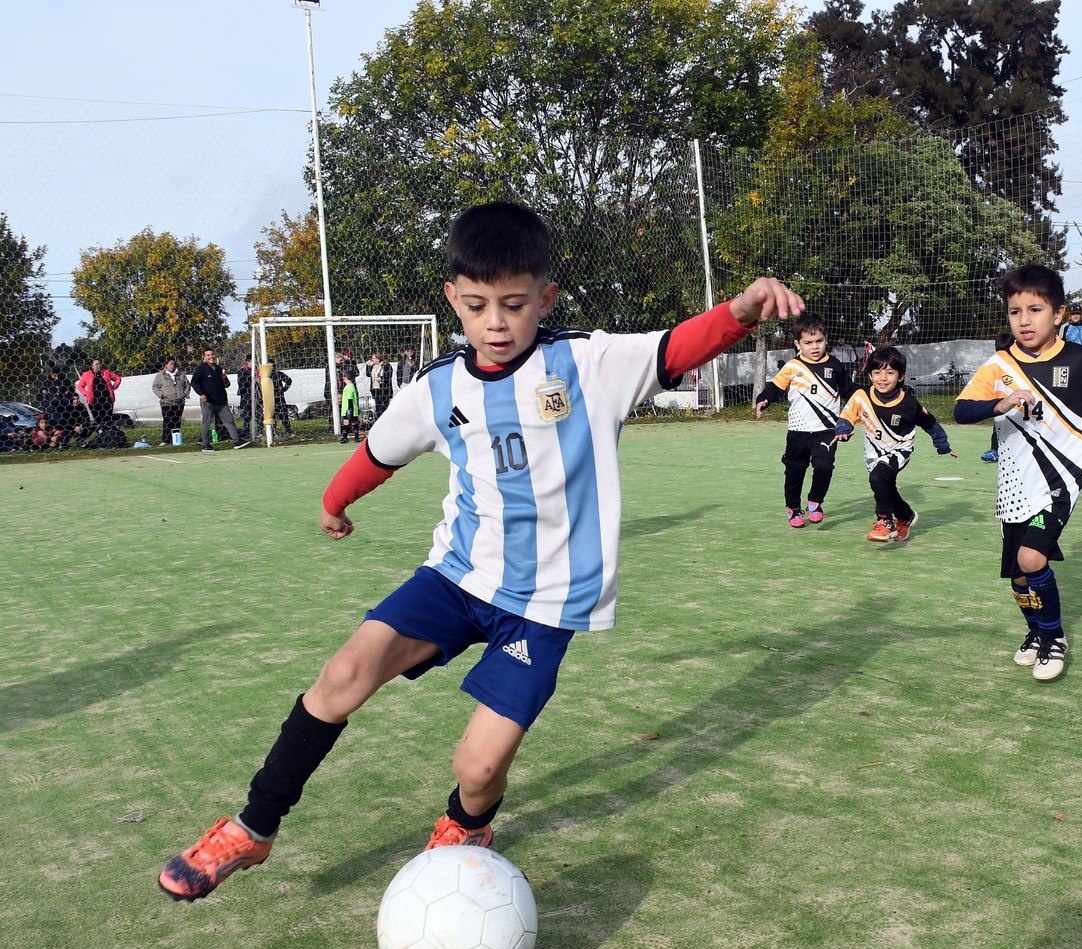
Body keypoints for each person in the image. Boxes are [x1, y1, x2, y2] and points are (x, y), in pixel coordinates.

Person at [156, 200, 802, 901]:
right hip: (457, 577)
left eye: (514, 304)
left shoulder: (587, 363)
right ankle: (253, 827)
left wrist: (740, 309)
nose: (495, 322)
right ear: (452, 301)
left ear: (544, 298)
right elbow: (380, 452)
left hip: (546, 605)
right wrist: (334, 502)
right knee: (345, 671)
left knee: (479, 768)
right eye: (476, 305)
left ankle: (467, 824)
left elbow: (676, 345)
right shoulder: (438, 387)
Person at [952, 263, 1082, 682]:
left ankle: (1054, 639)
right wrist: (999, 403)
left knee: (1032, 558)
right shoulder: (998, 365)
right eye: (1015, 311)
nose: (1024, 320)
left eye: (1035, 309)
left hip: (1061, 483)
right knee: (1017, 573)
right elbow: (961, 411)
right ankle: (1034, 633)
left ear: (1059, 314)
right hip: (1014, 485)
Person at [831, 346, 956, 542]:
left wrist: (943, 445)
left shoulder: (909, 403)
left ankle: (885, 522)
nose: (883, 377)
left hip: (899, 449)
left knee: (878, 478)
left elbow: (929, 423)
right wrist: (843, 431)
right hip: (873, 453)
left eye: (890, 372)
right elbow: (846, 417)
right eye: (877, 372)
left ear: (900, 376)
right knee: (886, 486)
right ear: (870, 375)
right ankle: (905, 516)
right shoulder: (860, 397)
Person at [753, 312, 853, 527]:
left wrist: (855, 415)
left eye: (819, 341)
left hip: (827, 430)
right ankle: (793, 507)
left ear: (826, 339)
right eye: (808, 343)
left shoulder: (835, 366)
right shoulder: (792, 367)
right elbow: (775, 388)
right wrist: (763, 399)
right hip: (798, 431)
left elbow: (851, 392)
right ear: (798, 344)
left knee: (824, 467)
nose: (814, 347)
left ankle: (815, 501)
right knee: (794, 471)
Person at [191, 347, 248, 451]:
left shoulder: (219, 369)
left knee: (229, 421)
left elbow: (227, 384)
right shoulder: (201, 368)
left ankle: (237, 441)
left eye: (212, 354)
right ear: (204, 357)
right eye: (208, 355)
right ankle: (205, 444)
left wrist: (224, 378)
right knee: (206, 422)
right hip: (208, 401)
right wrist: (201, 394)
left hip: (221, 401)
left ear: (215, 355)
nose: (211, 357)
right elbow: (194, 382)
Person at [979, 331, 1013, 463]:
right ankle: (995, 450)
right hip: (1000, 404)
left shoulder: (1017, 364)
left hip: (1017, 405)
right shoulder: (992, 365)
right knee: (997, 426)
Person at [152, 358, 189, 445]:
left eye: (174, 364)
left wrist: (184, 394)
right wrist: (161, 394)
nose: (172, 366)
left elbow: (187, 384)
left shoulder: (181, 374)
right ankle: (166, 440)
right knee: (167, 420)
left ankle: (176, 439)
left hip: (179, 402)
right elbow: (155, 387)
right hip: (166, 402)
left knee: (177, 420)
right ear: (166, 365)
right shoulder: (160, 375)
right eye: (171, 364)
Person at [35, 364, 76, 431]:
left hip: (64, 407)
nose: (56, 377)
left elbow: (72, 391)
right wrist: (42, 392)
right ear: (51, 374)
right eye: (54, 375)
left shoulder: (65, 380)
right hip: (51, 409)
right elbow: (38, 396)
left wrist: (68, 397)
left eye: (58, 375)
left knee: (66, 421)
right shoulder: (45, 382)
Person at [339, 366, 362, 443]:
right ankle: (345, 437)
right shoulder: (347, 386)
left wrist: (350, 409)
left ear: (346, 378)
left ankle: (356, 437)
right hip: (345, 409)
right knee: (346, 422)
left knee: (354, 422)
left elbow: (350, 399)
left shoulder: (350, 387)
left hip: (350, 409)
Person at [367, 351, 393, 419]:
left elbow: (389, 375)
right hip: (375, 390)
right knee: (378, 407)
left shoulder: (386, 365)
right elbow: (368, 374)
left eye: (373, 358)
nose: (372, 359)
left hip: (384, 390)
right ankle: (379, 420)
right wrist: (368, 366)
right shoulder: (373, 366)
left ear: (378, 359)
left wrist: (381, 378)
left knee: (384, 407)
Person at [271, 366, 295, 437]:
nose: (272, 368)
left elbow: (289, 381)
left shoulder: (278, 374)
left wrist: (283, 390)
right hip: (269, 398)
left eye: (273, 366)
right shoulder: (265, 376)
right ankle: (273, 431)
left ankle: (289, 431)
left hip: (279, 398)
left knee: (283, 414)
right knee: (272, 415)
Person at [235, 356, 255, 437]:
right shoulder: (242, 371)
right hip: (246, 396)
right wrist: (253, 378)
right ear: (248, 362)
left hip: (256, 396)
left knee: (258, 414)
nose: (255, 363)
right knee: (247, 416)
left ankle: (260, 432)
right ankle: (246, 433)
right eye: (253, 361)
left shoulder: (257, 370)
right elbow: (242, 382)